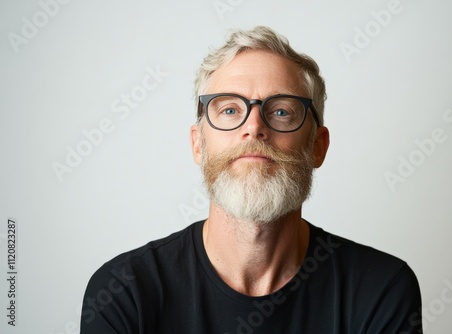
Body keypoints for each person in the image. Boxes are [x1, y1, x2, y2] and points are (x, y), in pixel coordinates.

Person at [80, 26, 422, 333]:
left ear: (317, 147)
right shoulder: (125, 291)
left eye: (282, 111)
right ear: (198, 144)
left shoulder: (381, 289)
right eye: (229, 109)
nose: (254, 126)